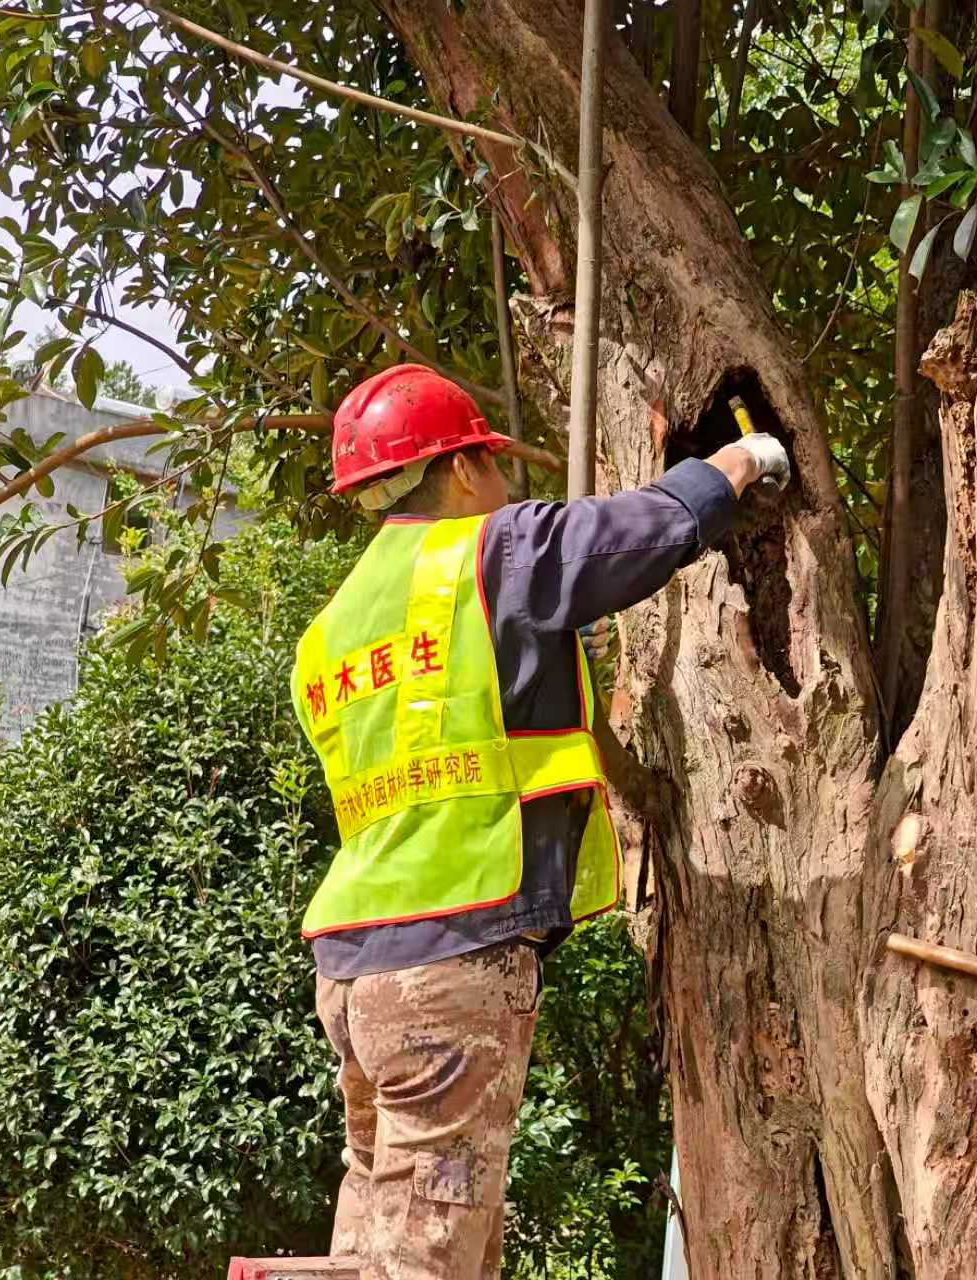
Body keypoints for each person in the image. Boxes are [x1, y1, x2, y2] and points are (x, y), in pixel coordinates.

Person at [291, 363, 789, 1280]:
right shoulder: (486, 552)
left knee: (383, 1234)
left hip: (356, 967)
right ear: (462, 468)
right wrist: (740, 462)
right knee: (428, 1254)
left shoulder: (331, 630)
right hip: (450, 956)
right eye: (492, 462)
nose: (503, 483)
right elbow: (636, 530)